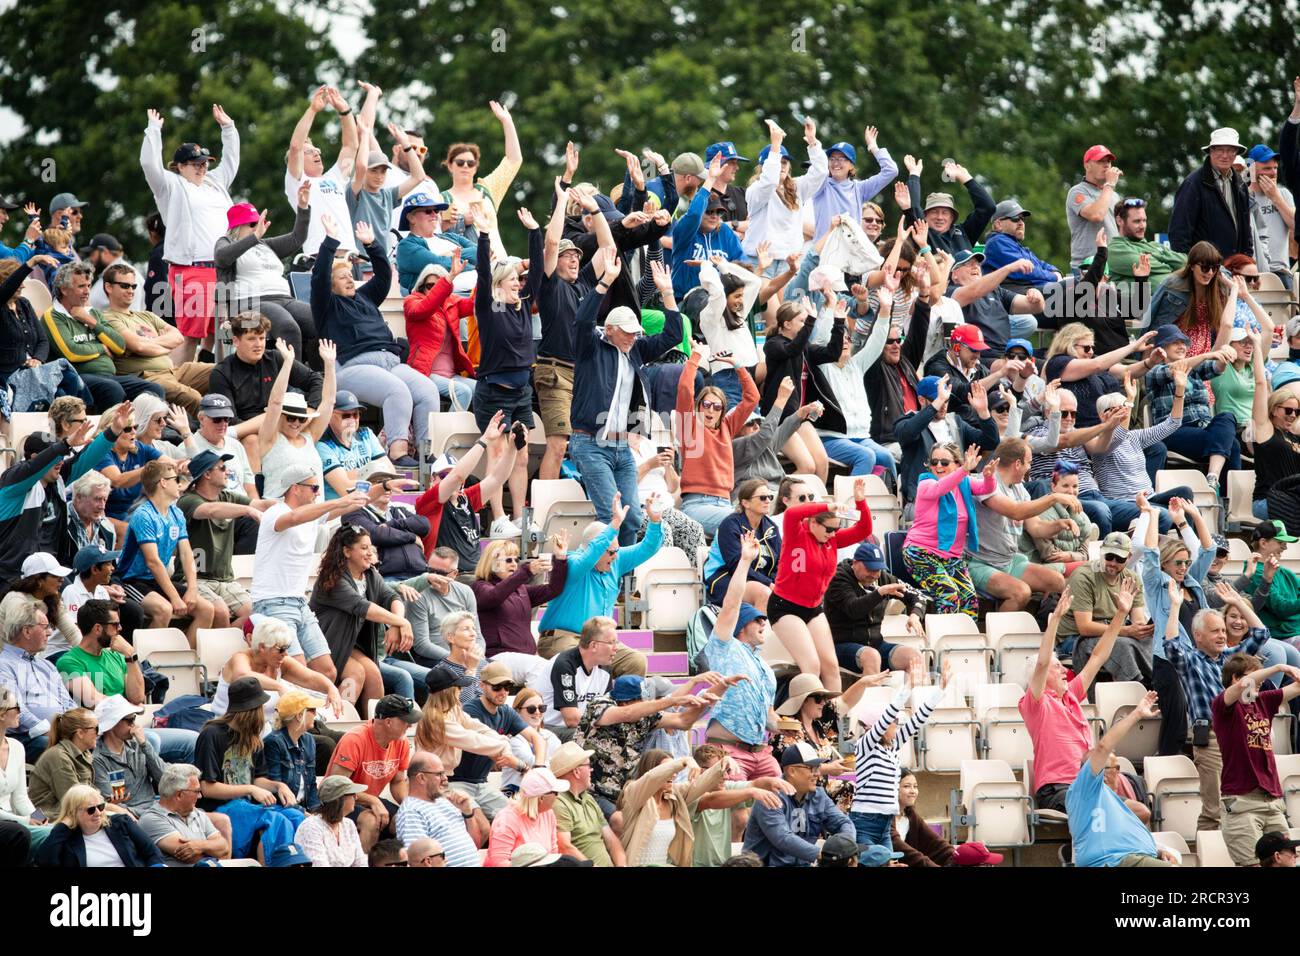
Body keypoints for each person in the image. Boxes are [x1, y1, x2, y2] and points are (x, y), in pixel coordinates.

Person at [570, 254, 683, 545]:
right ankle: (606, 579)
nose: (634, 337)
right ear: (609, 330)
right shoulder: (590, 348)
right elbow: (582, 319)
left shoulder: (635, 349)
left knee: (633, 517)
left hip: (623, 447)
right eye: (628, 332)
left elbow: (673, 334)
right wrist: (605, 280)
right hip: (591, 444)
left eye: (636, 333)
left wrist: (667, 293)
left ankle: (625, 582)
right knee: (613, 516)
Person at [314, 216, 434, 468]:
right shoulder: (327, 305)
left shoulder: (365, 297)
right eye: (342, 277)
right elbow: (319, 278)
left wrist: (372, 245)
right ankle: (397, 453)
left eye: (350, 275)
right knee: (397, 391)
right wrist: (331, 241)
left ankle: (424, 453)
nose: (349, 279)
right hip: (353, 366)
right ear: (331, 284)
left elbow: (382, 276)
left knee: (427, 391)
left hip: (390, 361)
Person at [1163, 582, 1271, 837]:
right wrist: (1176, 606)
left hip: (1241, 736)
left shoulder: (1232, 659)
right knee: (1214, 809)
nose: (1223, 635)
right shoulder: (1190, 660)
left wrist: (1238, 603)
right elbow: (1171, 647)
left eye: (1223, 630)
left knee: (1241, 805)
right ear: (1198, 636)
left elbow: (1260, 634)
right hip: (1211, 738)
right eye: (1215, 632)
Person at [250, 463, 369, 685]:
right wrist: (336, 501)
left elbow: (349, 505)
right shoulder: (276, 511)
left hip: (299, 603)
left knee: (328, 671)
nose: (318, 494)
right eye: (314, 488)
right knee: (299, 672)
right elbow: (294, 518)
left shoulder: (311, 514)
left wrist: (383, 487)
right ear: (295, 488)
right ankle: (294, 717)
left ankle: (313, 717)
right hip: (273, 602)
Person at [140, 103, 240, 359]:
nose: (202, 167)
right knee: (191, 335)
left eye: (204, 163)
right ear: (180, 165)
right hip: (192, 268)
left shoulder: (215, 183)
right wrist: (153, 131)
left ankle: (214, 382)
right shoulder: (171, 185)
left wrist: (228, 128)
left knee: (223, 332)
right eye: (195, 163)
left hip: (223, 267)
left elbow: (231, 161)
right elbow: (149, 164)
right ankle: (176, 384)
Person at [1021, 590, 1130, 812]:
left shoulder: (1071, 695)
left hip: (1089, 781)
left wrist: (1120, 614)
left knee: (1137, 807)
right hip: (1058, 787)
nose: (1064, 669)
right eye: (1057, 666)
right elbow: (1042, 664)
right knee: (1103, 809)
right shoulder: (1036, 704)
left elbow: (1099, 656)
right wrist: (1056, 622)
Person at [470, 215, 543, 534]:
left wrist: (534, 232)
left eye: (519, 278)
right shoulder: (488, 307)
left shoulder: (523, 306)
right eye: (513, 278)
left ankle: (519, 517)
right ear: (500, 282)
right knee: (498, 455)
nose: (519, 282)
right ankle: (498, 518)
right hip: (494, 392)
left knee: (522, 457)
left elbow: (538, 273)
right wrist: (485, 234)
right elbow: (483, 275)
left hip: (521, 393)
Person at [767, 478, 872, 692]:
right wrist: (828, 505)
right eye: (829, 529)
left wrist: (860, 502)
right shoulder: (797, 532)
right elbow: (791, 514)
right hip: (785, 605)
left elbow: (864, 529)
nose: (833, 533)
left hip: (813, 607)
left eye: (836, 529)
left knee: (831, 667)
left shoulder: (831, 539)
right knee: (811, 666)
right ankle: (805, 719)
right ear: (813, 522)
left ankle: (831, 719)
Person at [534, 495, 657, 678]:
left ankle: (619, 705)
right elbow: (590, 556)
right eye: (611, 552)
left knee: (635, 661)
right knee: (587, 657)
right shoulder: (572, 562)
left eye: (617, 551)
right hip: (562, 638)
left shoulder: (615, 560)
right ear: (596, 547)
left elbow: (647, 548)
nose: (615, 556)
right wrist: (615, 523)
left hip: (599, 641)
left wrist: (655, 522)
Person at [310, 524, 421, 715]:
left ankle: (375, 727)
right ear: (346, 551)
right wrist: (401, 622)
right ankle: (338, 720)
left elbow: (392, 598)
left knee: (374, 675)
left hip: (352, 646)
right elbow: (363, 607)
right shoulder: (332, 579)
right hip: (327, 646)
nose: (370, 553)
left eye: (371, 547)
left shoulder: (370, 575)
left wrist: (397, 622)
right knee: (356, 674)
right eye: (363, 548)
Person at [577, 673, 730, 809]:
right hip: (594, 790)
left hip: (627, 791)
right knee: (619, 822)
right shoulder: (600, 705)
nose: (647, 706)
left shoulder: (644, 715)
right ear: (625, 701)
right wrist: (673, 701)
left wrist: (705, 703)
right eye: (643, 701)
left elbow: (683, 721)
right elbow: (627, 714)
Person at [1134, 495, 1213, 755]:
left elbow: (1208, 549)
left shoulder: (1191, 582)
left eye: (1186, 563)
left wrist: (1191, 517)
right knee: (1176, 724)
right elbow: (1150, 553)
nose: (1183, 568)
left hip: (1197, 659)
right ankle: (1168, 767)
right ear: (1166, 564)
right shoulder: (1158, 584)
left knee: (1203, 720)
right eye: (1177, 563)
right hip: (1168, 662)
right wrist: (1153, 515)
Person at [194, 676, 305, 861]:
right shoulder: (211, 735)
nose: (263, 711)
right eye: (260, 707)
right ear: (250, 710)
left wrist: (278, 786)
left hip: (248, 806)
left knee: (295, 817)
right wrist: (250, 789)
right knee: (276, 821)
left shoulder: (254, 738)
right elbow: (206, 787)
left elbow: (257, 778)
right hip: (221, 807)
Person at [848, 658, 949, 856]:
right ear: (876, 725)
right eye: (893, 721)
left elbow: (917, 720)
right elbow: (887, 716)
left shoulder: (892, 747)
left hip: (886, 823)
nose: (897, 724)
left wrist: (940, 690)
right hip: (865, 822)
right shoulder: (865, 745)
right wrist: (907, 687)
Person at [1067, 690, 1178, 867]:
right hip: (1114, 862)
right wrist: (1136, 714)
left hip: (1131, 859)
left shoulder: (1111, 801)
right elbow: (1103, 747)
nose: (1119, 773)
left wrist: (1157, 851)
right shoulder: (1084, 790)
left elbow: (1124, 834)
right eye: (1114, 768)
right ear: (1100, 774)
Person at [702, 534, 780, 785]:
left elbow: (769, 717)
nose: (763, 622)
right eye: (757, 619)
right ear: (741, 626)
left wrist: (787, 728)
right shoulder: (725, 646)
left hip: (761, 751)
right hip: (728, 749)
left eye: (764, 619)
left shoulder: (766, 669)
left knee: (782, 801)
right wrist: (745, 561)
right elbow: (731, 605)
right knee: (738, 818)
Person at [116, 460, 217, 646]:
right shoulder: (143, 515)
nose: (180, 484)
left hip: (157, 580)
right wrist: (175, 597)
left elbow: (186, 554)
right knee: (164, 609)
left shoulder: (176, 513)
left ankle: (186, 664)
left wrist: (192, 589)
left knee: (207, 609)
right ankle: (145, 665)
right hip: (131, 580)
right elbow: (152, 561)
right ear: (163, 482)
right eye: (175, 479)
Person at [966, 437, 1074, 610]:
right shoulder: (984, 482)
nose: (1029, 468)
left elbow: (1036, 528)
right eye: (1029, 463)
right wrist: (1053, 497)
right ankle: (997, 635)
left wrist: (1059, 525)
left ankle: (1043, 627)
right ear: (1017, 464)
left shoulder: (1019, 487)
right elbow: (1015, 511)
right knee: (1020, 592)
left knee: (1056, 581)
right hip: (980, 563)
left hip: (1009, 561)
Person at [1213, 652, 1300, 866]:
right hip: (1242, 801)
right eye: (1257, 678)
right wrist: (1278, 667)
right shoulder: (1223, 706)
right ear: (1235, 678)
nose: (1261, 683)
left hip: (1272, 799)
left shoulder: (1264, 701)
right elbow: (1246, 685)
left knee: (1288, 862)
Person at [208, 314, 323, 469]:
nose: (258, 344)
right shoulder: (222, 373)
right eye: (251, 339)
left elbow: (316, 379)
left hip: (283, 423)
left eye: (262, 338)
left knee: (313, 420)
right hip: (249, 431)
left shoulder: (275, 358)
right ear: (236, 341)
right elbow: (230, 420)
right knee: (251, 441)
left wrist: (310, 408)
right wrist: (267, 429)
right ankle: (255, 489)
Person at [98, 262, 212, 412]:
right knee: (193, 397)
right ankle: (210, 431)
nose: (131, 290)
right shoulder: (107, 318)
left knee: (221, 371)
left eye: (133, 286)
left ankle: (236, 422)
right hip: (147, 376)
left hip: (176, 370)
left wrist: (149, 344)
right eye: (125, 286)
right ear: (108, 287)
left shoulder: (146, 315)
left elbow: (178, 338)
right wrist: (163, 347)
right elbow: (138, 346)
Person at [412, 414, 519, 572]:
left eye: (450, 474)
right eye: (443, 475)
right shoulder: (428, 501)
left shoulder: (465, 498)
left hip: (476, 574)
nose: (450, 479)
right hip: (448, 577)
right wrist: (484, 440)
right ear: (431, 481)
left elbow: (497, 478)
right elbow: (458, 476)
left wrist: (513, 448)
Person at [674, 343, 760, 537]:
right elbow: (685, 389)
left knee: (757, 523)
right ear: (699, 407)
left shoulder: (726, 427)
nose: (711, 410)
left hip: (725, 502)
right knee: (742, 523)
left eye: (717, 407)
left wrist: (738, 366)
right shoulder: (689, 426)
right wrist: (695, 356)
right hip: (697, 504)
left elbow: (752, 398)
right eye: (706, 405)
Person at [901, 442, 994, 619]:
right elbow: (940, 488)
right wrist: (964, 471)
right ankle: (943, 641)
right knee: (949, 595)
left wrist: (989, 476)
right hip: (920, 553)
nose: (938, 466)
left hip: (951, 557)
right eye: (934, 462)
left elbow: (986, 488)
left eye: (944, 462)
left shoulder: (963, 482)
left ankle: (964, 642)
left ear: (957, 464)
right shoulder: (926, 483)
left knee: (970, 599)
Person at [1144, 325, 1240, 493]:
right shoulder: (1153, 372)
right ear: (1161, 349)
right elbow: (1175, 369)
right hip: (1173, 431)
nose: (1182, 346)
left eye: (1183, 342)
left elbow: (1217, 367)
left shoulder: (1194, 370)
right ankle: (1224, 499)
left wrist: (1225, 354)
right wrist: (1207, 354)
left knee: (1226, 417)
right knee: (1232, 445)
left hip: (1203, 428)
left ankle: (1213, 478)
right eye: (1175, 342)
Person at [179, 449, 268, 629]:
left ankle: (225, 647)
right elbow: (209, 510)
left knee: (257, 612)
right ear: (207, 474)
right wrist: (247, 510)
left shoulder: (228, 496)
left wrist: (289, 504)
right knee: (220, 612)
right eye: (222, 468)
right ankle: (221, 651)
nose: (227, 471)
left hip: (225, 580)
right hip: (195, 579)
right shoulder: (187, 500)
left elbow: (262, 504)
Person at [446, 660, 543, 819]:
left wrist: (539, 766)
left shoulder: (506, 711)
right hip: (457, 781)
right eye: (497, 687)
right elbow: (496, 754)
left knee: (519, 816)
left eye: (508, 687)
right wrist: (523, 767)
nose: (503, 692)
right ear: (482, 686)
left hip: (482, 783)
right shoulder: (471, 710)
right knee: (480, 825)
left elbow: (536, 737)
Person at [760, 299, 841, 484]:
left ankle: (815, 509)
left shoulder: (802, 347)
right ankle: (775, 497)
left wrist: (839, 323)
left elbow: (832, 353)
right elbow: (790, 350)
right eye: (802, 321)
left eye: (806, 321)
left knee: (822, 463)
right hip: (778, 418)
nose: (806, 325)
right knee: (807, 467)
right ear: (787, 324)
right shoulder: (773, 344)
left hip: (798, 415)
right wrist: (812, 320)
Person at [325, 693, 419, 851]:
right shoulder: (355, 740)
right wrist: (373, 801)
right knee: (371, 820)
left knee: (405, 819)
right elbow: (337, 787)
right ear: (388, 722)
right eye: (405, 721)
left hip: (368, 800)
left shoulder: (400, 741)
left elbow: (398, 782)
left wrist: (408, 804)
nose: (409, 726)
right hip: (338, 803)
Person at [1059, 532, 1154, 684]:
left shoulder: (1132, 578)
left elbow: (1138, 621)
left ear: (1129, 557)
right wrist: (1125, 631)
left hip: (1113, 632)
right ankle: (1138, 686)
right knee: (1123, 646)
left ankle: (1156, 683)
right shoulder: (1084, 576)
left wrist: (1142, 629)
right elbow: (1084, 627)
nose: (1113, 562)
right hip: (1074, 640)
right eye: (1109, 556)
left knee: (1154, 642)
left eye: (1120, 558)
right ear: (1101, 552)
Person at [742, 741, 855, 867]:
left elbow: (844, 823)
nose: (817, 774)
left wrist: (847, 847)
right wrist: (825, 855)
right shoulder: (770, 795)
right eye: (811, 768)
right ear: (791, 771)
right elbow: (782, 838)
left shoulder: (819, 795)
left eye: (818, 767)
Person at [825, 540, 925, 677]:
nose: (874, 575)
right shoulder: (838, 578)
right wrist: (880, 593)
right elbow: (854, 609)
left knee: (914, 657)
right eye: (869, 569)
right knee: (871, 657)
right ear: (855, 563)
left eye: (877, 570)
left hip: (875, 644)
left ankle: (916, 698)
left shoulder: (882, 578)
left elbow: (918, 596)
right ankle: (875, 697)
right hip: (840, 645)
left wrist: (915, 615)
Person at [285, 85, 358, 261]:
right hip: (320, 256)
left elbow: (351, 146)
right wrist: (313, 110)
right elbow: (295, 147)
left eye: (317, 150)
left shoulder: (335, 178)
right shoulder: (297, 180)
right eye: (309, 152)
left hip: (349, 256)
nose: (316, 153)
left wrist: (345, 111)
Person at [618, 750, 726, 867]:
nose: (674, 774)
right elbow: (650, 778)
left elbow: (699, 784)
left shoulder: (673, 796)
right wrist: (683, 762)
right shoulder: (633, 793)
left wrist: (722, 765)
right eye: (669, 769)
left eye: (675, 771)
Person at [744, 118, 827, 260]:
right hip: (760, 259)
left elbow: (821, 173)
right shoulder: (755, 189)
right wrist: (775, 147)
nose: (781, 165)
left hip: (789, 261)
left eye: (785, 162)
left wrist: (812, 141)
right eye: (778, 161)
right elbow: (769, 182)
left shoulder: (796, 188)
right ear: (765, 165)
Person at [0, 603, 75, 759]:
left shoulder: (46, 665)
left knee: (99, 737)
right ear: (27, 631)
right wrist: (56, 732)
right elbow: (16, 710)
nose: (50, 632)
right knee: (58, 748)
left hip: (58, 733)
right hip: (26, 737)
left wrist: (78, 725)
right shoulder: (4, 665)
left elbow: (68, 703)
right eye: (45, 627)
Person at [473, 536, 568, 657]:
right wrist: (526, 571)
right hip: (500, 656)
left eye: (516, 560)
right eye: (508, 560)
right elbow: (494, 596)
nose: (514, 564)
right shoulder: (479, 587)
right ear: (492, 562)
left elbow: (553, 589)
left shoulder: (520, 589)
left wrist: (560, 558)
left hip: (527, 656)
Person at [402, 259, 477, 413]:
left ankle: (484, 434)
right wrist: (447, 280)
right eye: (430, 286)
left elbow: (475, 305)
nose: (435, 289)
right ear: (421, 286)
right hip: (424, 373)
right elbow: (424, 308)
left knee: (483, 389)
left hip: (451, 375)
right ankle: (449, 433)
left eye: (439, 285)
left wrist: (484, 274)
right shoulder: (412, 302)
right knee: (463, 392)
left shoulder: (451, 303)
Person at [35, 783, 164, 868]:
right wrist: (63, 826)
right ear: (73, 812)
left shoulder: (121, 823)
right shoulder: (66, 838)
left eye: (101, 807)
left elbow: (152, 852)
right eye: (90, 809)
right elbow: (45, 862)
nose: (98, 813)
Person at [1169, 127, 1252, 258]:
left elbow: (1246, 233)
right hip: (1204, 269)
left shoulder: (1240, 184)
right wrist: (1188, 268)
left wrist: (1246, 261)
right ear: (1210, 151)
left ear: (1236, 153)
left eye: (1230, 150)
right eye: (1219, 149)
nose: (1225, 155)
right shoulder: (1193, 184)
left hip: (1234, 268)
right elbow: (1179, 232)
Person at [392, 751, 483, 866]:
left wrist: (468, 813)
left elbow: (476, 845)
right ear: (421, 778)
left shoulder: (447, 801)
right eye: (439, 774)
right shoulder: (411, 812)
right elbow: (418, 862)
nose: (445, 778)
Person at [703, 478, 781, 611]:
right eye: (762, 498)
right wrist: (768, 583)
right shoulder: (730, 525)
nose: (768, 501)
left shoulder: (771, 528)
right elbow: (735, 565)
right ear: (745, 503)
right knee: (763, 593)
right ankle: (761, 631)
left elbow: (779, 562)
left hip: (758, 579)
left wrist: (776, 582)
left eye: (770, 497)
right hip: (724, 576)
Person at [536, 616, 617, 740]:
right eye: (611, 642)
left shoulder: (604, 668)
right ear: (594, 645)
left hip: (580, 727)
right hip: (549, 729)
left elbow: (606, 709)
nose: (616, 648)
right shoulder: (565, 664)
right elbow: (571, 719)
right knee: (597, 737)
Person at [136, 763, 231, 867]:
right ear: (179, 795)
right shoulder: (152, 819)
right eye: (197, 791)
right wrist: (212, 849)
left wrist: (199, 846)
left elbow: (224, 848)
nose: (200, 796)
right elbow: (191, 857)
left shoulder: (197, 813)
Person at [550, 740, 625, 866]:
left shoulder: (588, 798)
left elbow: (612, 840)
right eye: (588, 765)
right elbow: (564, 846)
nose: (591, 770)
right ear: (576, 772)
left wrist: (623, 865)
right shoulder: (558, 802)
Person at [28, 708, 111, 820]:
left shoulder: (84, 754)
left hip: (76, 812)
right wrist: (115, 809)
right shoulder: (58, 757)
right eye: (96, 728)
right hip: (48, 818)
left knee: (122, 819)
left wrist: (109, 805)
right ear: (80, 733)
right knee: (120, 820)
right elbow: (77, 802)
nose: (99, 733)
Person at [403, 549, 481, 667]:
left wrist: (479, 655)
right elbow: (421, 645)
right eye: (430, 571)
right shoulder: (418, 594)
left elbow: (478, 634)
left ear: (454, 574)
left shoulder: (466, 591)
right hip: (432, 658)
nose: (433, 577)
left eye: (440, 573)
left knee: (496, 671)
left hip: (466, 656)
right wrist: (456, 658)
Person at [903, 159, 995, 257]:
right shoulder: (921, 232)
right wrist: (914, 174)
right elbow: (913, 207)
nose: (939, 217)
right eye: (934, 211)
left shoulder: (964, 233)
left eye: (945, 212)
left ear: (952, 217)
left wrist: (965, 178)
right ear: (925, 215)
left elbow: (988, 207)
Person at [90, 696, 164, 816]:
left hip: (154, 809)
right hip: (129, 815)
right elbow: (109, 802)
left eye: (134, 719)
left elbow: (163, 778)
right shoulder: (98, 758)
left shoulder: (139, 744)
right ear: (113, 722)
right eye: (130, 720)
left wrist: (145, 745)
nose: (134, 725)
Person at [1, 551, 82, 660]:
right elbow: (18, 641)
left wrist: (88, 657)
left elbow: (72, 632)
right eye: (55, 576)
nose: (62, 579)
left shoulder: (53, 601)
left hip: (33, 662)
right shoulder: (15, 600)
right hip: (8, 664)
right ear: (38, 580)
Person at [485, 766, 570, 866]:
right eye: (555, 792)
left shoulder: (548, 814)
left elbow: (553, 852)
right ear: (541, 798)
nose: (558, 796)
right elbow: (499, 863)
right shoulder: (507, 819)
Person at [260, 689, 324, 814]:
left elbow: (311, 784)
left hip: (304, 808)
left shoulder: (309, 740)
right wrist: (303, 813)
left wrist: (317, 813)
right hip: (283, 809)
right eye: (312, 710)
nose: (316, 714)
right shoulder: (274, 742)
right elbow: (277, 791)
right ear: (299, 716)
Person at [1249, 377, 1300, 523]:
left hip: (1293, 500)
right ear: (1274, 409)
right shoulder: (1266, 432)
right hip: (1267, 501)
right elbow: (1260, 383)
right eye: (1288, 410)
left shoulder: (1295, 438)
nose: (1293, 415)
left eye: (1297, 412)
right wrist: (1257, 352)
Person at [1108, 197, 1187, 291]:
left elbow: (1185, 261)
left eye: (1144, 220)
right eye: (1137, 221)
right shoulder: (1115, 249)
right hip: (1139, 304)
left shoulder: (1154, 245)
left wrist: (1156, 256)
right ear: (1119, 221)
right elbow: (1143, 266)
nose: (1142, 226)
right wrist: (1171, 268)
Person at [292, 774, 369, 868]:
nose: (356, 797)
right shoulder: (311, 827)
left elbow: (360, 862)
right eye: (352, 794)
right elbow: (319, 864)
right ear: (339, 799)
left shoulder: (349, 824)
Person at [1066, 145, 1122, 269]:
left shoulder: (1114, 195)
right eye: (1100, 161)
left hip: (1112, 265)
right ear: (1087, 166)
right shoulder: (1077, 192)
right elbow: (1096, 215)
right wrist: (1110, 184)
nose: (1106, 165)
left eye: (1108, 161)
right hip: (1087, 266)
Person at [1245, 521, 1300, 640]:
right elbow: (1280, 607)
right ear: (1263, 543)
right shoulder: (1255, 573)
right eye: (1281, 542)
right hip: (1281, 636)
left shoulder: (1285, 572)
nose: (1285, 547)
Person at [502, 686, 563, 793]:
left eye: (541, 708)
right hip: (516, 794)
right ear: (517, 712)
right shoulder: (513, 739)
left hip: (544, 794)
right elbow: (535, 766)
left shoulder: (550, 736)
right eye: (531, 709)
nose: (537, 712)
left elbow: (562, 763)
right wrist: (560, 766)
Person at [890, 769, 957, 867]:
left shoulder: (910, 815)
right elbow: (901, 848)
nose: (913, 791)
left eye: (915, 786)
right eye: (907, 786)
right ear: (894, 788)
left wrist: (956, 856)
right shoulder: (885, 817)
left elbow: (936, 843)